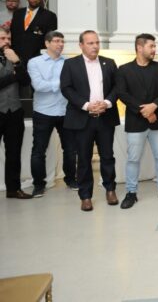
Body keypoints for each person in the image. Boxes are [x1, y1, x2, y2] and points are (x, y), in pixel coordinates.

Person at [60, 30, 120, 211]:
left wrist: (107, 103)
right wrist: (86, 105)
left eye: (97, 42)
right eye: (90, 43)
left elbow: (118, 86)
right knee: (84, 159)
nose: (95, 46)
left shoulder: (109, 63)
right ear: (81, 45)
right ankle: (85, 196)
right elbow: (66, 88)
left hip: (105, 118)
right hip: (82, 119)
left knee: (107, 156)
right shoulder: (70, 64)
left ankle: (110, 189)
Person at [116, 34, 158, 209]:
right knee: (133, 159)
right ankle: (131, 192)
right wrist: (145, 111)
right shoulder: (124, 69)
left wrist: (154, 106)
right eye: (151, 46)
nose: (154, 49)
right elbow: (122, 94)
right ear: (139, 47)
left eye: (154, 46)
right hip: (136, 122)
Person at [28, 31, 78, 196]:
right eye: (56, 41)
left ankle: (70, 179)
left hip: (66, 111)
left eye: (62, 41)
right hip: (43, 112)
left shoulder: (69, 62)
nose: (60, 44)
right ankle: (38, 185)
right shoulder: (35, 62)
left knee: (70, 149)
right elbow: (39, 86)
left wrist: (57, 84)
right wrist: (64, 83)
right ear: (47, 43)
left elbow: (75, 85)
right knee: (39, 151)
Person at [0, 27, 32, 199]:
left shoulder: (15, 57)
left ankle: (13, 189)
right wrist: (13, 76)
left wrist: (18, 63)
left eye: (8, 38)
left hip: (15, 111)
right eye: (2, 38)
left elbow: (26, 82)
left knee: (14, 152)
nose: (6, 41)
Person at [10, 0, 58, 64]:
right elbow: (13, 33)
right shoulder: (17, 13)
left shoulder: (49, 15)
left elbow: (51, 37)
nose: (35, 0)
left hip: (37, 56)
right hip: (17, 56)